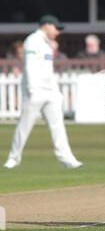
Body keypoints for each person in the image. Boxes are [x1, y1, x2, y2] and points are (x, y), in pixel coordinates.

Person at [3, 15, 82, 169]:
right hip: (35, 91)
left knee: (58, 126)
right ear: (47, 26)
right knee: (24, 126)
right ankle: (13, 159)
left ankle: (67, 159)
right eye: (56, 28)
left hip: (50, 92)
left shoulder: (47, 44)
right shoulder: (32, 41)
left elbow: (47, 69)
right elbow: (30, 67)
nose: (58, 32)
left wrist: (55, 91)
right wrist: (32, 89)